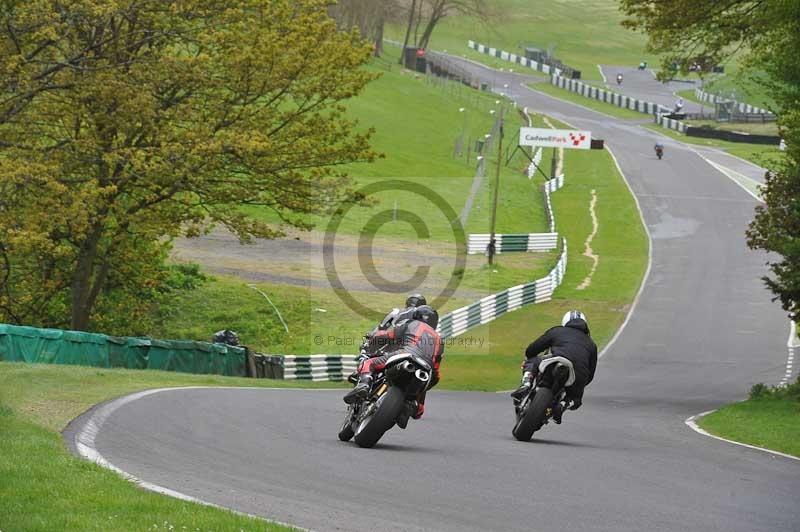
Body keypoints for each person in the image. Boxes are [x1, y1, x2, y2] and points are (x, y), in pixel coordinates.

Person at [344, 305, 444, 423]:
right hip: (427, 369)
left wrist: (373, 337)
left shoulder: (411, 323)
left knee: (368, 363)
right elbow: (436, 371)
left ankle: (364, 385)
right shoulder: (440, 340)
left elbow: (387, 336)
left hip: (406, 354)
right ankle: (413, 406)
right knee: (425, 384)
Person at [510, 310, 597, 423]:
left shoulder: (557, 331)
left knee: (533, 360)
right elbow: (590, 375)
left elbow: (532, 350)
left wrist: (530, 355)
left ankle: (526, 384)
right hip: (578, 375)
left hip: (555, 361)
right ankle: (564, 404)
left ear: (564, 322)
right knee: (576, 399)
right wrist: (579, 384)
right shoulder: (592, 345)